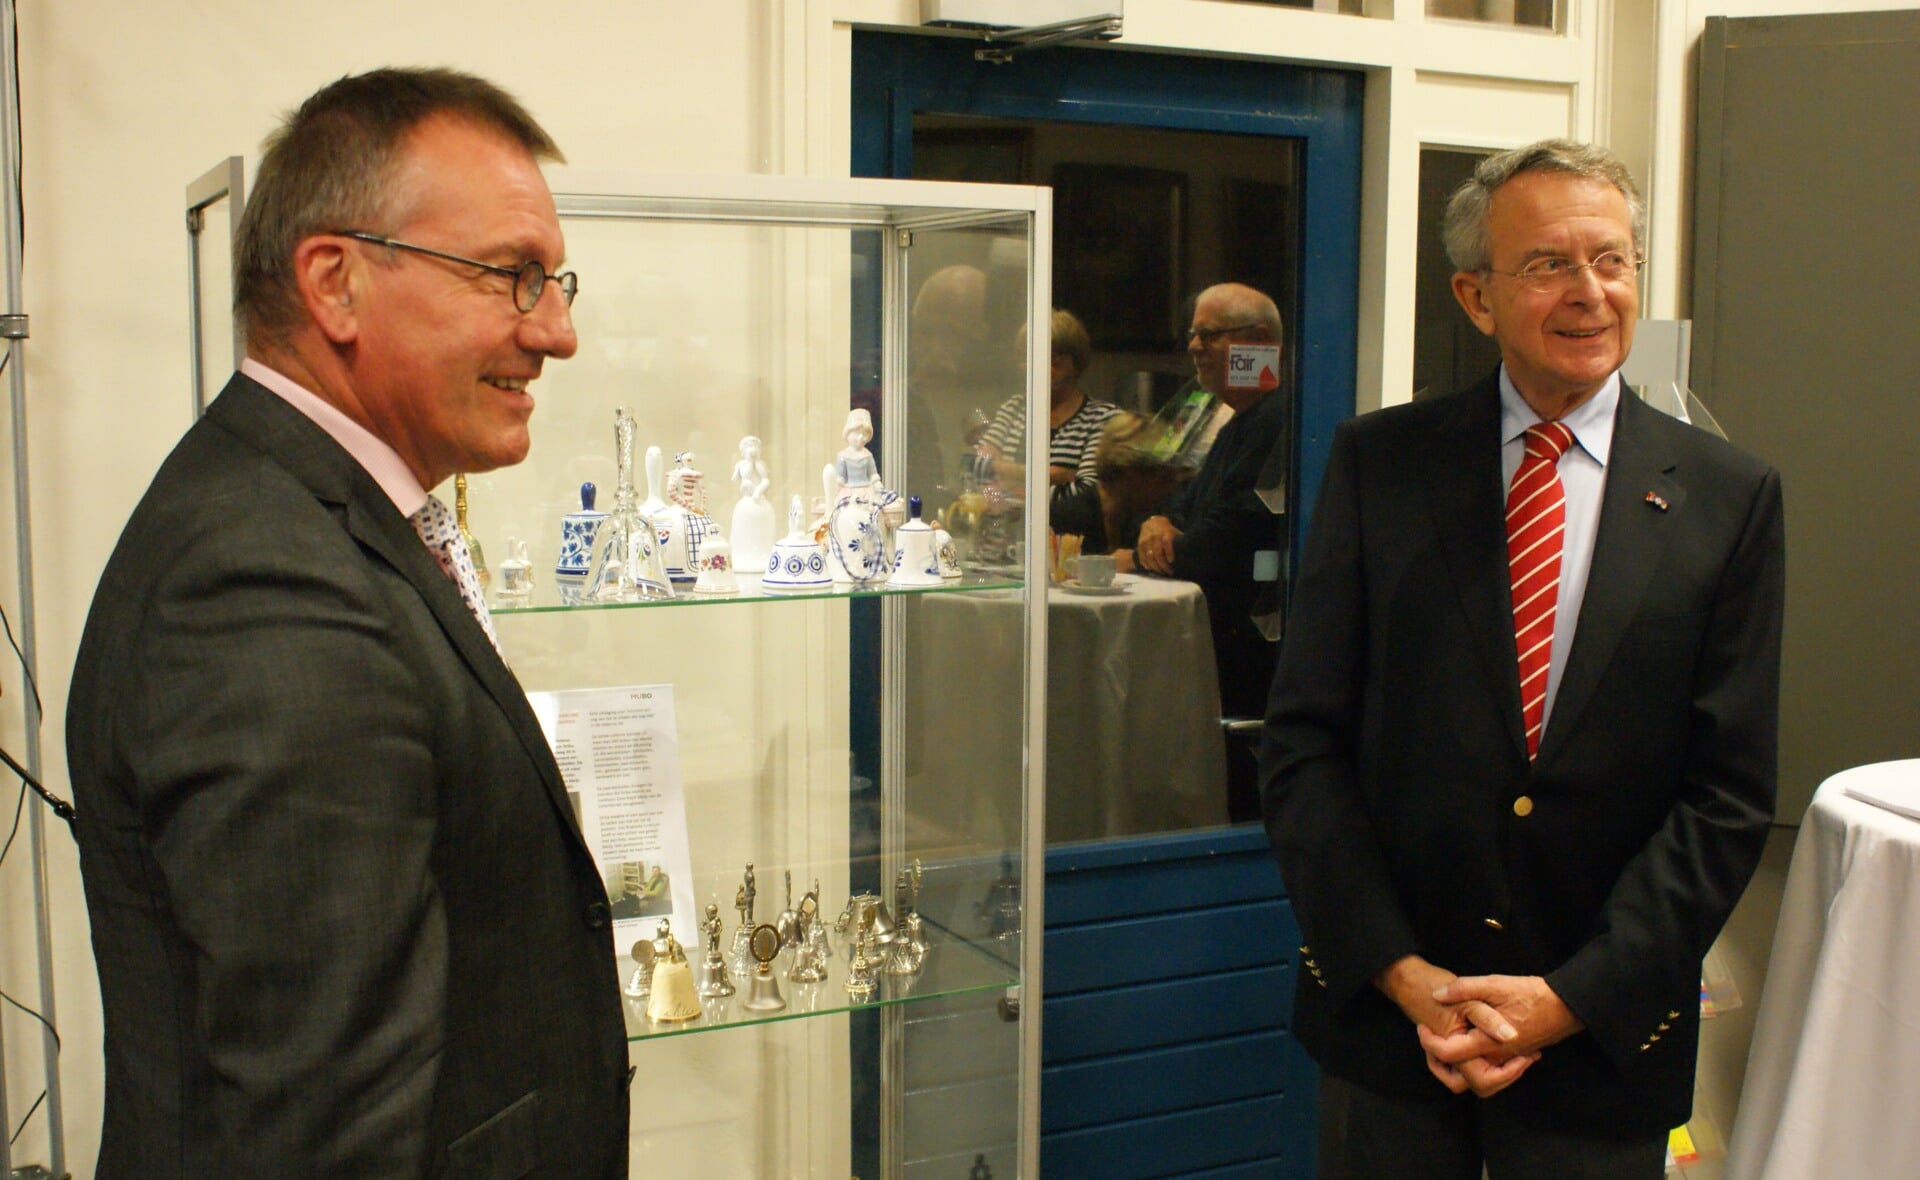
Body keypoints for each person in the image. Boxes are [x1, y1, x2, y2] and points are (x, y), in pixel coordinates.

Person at [65, 69, 630, 1177]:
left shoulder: (317, 517)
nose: (556, 331)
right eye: (512, 277)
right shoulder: (262, 585)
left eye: (555, 281)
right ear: (335, 283)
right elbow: (318, 1130)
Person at [1261, 140, 1784, 1178]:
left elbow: (1725, 797)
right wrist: (1407, 977)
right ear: (1476, 295)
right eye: (1548, 263)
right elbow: (1305, 746)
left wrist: (1565, 1001)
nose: (1591, 293)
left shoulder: (1732, 499)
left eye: (1614, 260)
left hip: (1601, 1047)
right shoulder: (1382, 464)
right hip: (1396, 1035)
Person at [1116, 282, 1287, 818]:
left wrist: (1161, 540)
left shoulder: (1281, 420)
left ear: (1258, 340)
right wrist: (1157, 521)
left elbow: (1221, 545)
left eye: (1207, 335)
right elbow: (1182, 509)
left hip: (1255, 654)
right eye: (1192, 334)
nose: (1193, 347)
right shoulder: (1243, 422)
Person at [968, 308, 1119, 545]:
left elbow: (1086, 495)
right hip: (1005, 548)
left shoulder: (1102, 418)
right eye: (1028, 357)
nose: (1039, 367)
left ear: (1076, 363)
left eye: (1054, 359)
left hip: (1067, 553)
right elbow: (976, 467)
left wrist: (1009, 483)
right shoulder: (1014, 408)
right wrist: (1051, 475)